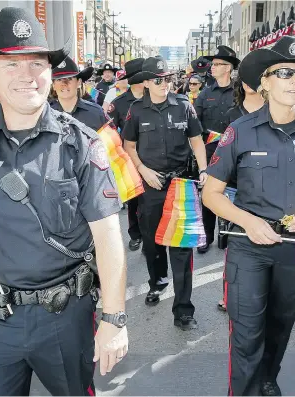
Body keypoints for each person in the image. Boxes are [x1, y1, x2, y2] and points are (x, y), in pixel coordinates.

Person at [0, 7, 128, 395]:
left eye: (36, 63)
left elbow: (109, 236)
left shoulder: (82, 144)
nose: (26, 74)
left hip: (63, 318)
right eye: (10, 65)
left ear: (50, 72)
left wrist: (113, 319)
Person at [202, 36, 295, 396]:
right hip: (249, 247)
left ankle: (268, 377)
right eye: (284, 73)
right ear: (264, 82)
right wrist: (249, 221)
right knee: (247, 332)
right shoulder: (241, 131)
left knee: (281, 325)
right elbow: (212, 194)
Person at [123, 56, 207, 330]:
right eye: (158, 80)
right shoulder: (136, 111)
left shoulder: (184, 105)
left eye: (167, 79)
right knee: (153, 242)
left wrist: (204, 171)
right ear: (146, 82)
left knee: (182, 248)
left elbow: (197, 140)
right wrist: (143, 171)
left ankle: (183, 309)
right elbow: (129, 147)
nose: (164, 84)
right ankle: (157, 281)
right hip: (151, 185)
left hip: (181, 183)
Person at [216, 75, 265, 312]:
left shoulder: (277, 112)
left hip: (267, 189)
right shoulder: (231, 116)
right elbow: (218, 153)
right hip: (234, 189)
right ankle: (229, 295)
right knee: (234, 245)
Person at [194, 45, 240, 254]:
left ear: (228, 68)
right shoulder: (205, 93)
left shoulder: (240, 91)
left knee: (233, 196)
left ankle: (229, 233)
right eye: (212, 64)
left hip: (236, 154)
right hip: (211, 155)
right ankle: (206, 236)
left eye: (217, 64)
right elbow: (195, 123)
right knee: (208, 196)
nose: (212, 67)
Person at [107, 58, 145, 252]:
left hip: (155, 156)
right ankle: (135, 234)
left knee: (155, 200)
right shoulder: (119, 103)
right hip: (129, 158)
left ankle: (152, 234)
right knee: (134, 199)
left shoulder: (155, 97)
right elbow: (109, 131)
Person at [50, 56, 107, 131]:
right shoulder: (45, 115)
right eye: (59, 79)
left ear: (79, 83)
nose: (64, 84)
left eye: (69, 79)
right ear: (53, 85)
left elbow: (110, 141)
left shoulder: (96, 113)